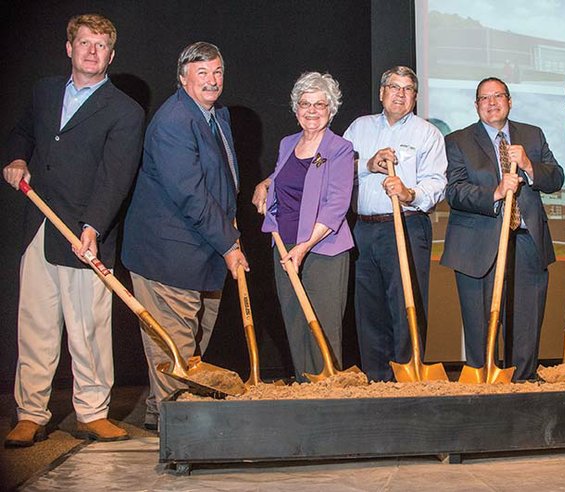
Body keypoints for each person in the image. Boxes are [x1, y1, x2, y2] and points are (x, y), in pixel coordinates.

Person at [2, 14, 144, 447]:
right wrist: (19, 158)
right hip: (40, 226)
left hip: (84, 233)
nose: (91, 51)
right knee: (36, 325)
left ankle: (93, 412)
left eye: (100, 45)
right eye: (84, 43)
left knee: (89, 330)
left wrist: (93, 227)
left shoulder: (125, 110)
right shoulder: (45, 91)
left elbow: (116, 177)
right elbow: (22, 132)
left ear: (111, 55)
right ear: (69, 48)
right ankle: (30, 413)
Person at [121, 42, 248, 431]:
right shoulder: (174, 121)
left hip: (203, 247)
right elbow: (190, 194)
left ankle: (161, 413)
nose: (212, 81)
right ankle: (180, 435)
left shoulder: (214, 115)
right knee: (174, 346)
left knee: (191, 345)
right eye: (201, 74)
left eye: (217, 72)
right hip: (168, 253)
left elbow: (220, 181)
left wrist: (230, 231)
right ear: (182, 79)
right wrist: (228, 244)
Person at [441, 77, 564, 381]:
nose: (492, 102)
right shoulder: (458, 140)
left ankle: (523, 380)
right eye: (484, 98)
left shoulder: (532, 135)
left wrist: (529, 165)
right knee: (480, 324)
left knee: (526, 319)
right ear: (476, 105)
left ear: (510, 101)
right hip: (477, 246)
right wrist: (495, 192)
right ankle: (484, 383)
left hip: (526, 240)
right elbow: (454, 191)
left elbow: (556, 178)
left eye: (498, 96)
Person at [345, 66, 447, 382]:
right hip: (364, 229)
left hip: (407, 225)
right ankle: (377, 380)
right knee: (369, 310)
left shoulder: (427, 133)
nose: (400, 94)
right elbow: (336, 168)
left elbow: (437, 182)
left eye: (407, 89)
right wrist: (367, 165)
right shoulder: (359, 128)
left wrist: (408, 192)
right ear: (381, 92)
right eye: (393, 86)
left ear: (415, 97)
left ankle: (408, 377)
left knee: (407, 307)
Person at [253, 72, 354, 381]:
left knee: (321, 325)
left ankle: (326, 391)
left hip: (323, 250)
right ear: (296, 108)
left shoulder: (340, 149)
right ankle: (302, 387)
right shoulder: (288, 143)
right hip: (283, 246)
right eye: (305, 104)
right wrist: (264, 183)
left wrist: (305, 246)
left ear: (331, 108)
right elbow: (284, 178)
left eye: (320, 104)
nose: (312, 110)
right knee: (295, 322)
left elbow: (337, 204)